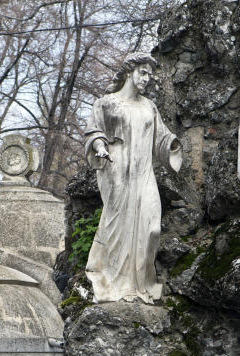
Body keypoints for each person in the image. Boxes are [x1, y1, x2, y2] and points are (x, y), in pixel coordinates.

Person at [83, 52, 182, 303]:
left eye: (149, 74)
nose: (147, 79)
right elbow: (93, 131)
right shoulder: (106, 103)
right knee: (118, 228)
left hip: (143, 173)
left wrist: (171, 145)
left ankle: (142, 283)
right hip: (117, 171)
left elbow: (161, 136)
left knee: (152, 228)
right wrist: (99, 146)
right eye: (143, 72)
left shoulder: (149, 106)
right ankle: (117, 283)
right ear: (130, 72)